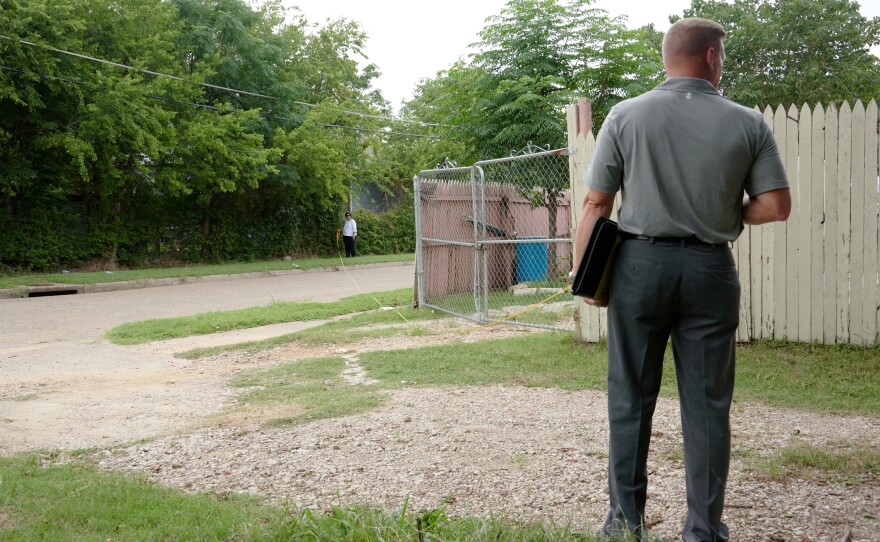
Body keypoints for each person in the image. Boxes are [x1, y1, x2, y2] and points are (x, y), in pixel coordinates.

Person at [572, 17, 791, 541]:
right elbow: (776, 206)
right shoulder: (748, 123)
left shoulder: (626, 116)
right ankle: (703, 530)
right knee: (708, 404)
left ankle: (626, 524)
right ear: (712, 58)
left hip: (638, 269)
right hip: (711, 272)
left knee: (630, 397)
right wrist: (730, 212)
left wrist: (588, 282)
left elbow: (596, 204)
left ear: (668, 57)